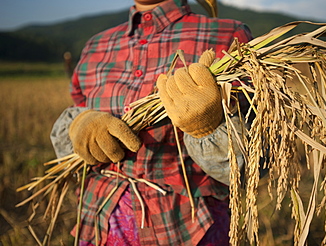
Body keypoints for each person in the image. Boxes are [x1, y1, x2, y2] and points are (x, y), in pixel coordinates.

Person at [50, 0, 253, 245]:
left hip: (191, 228)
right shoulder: (96, 46)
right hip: (99, 223)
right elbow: (75, 124)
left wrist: (207, 127)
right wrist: (79, 125)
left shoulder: (227, 35)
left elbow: (251, 163)